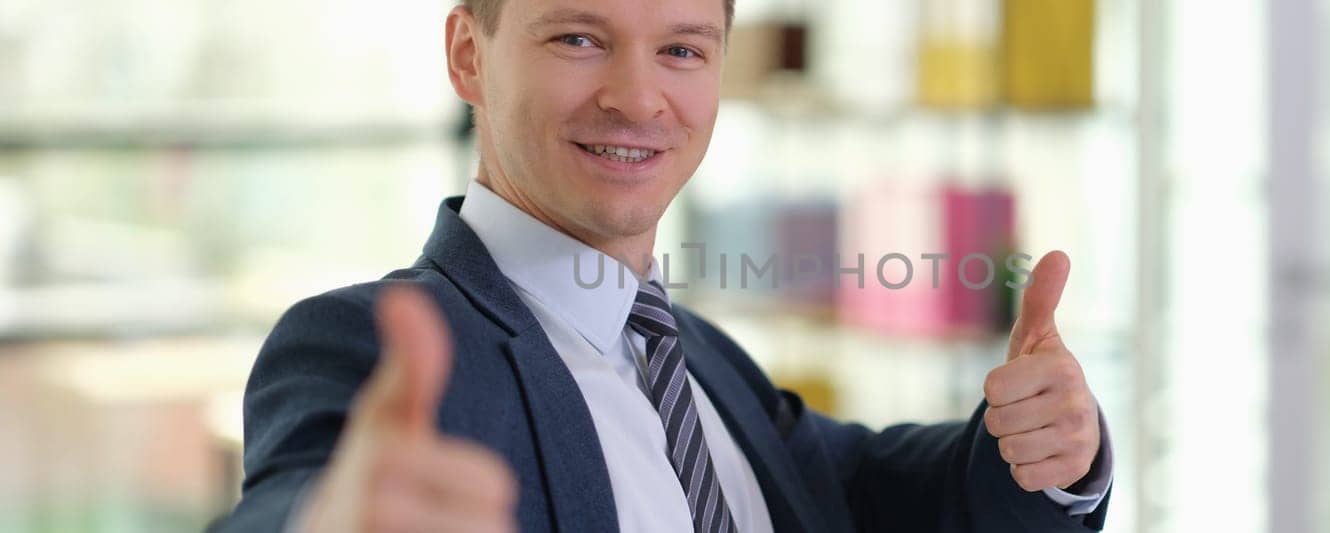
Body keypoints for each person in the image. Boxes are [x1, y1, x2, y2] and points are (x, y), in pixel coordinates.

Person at [215, 0, 1111, 531]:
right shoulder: (371, 347)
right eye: (578, 38)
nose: (638, 97)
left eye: (681, 49)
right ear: (467, 55)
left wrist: (1046, 445)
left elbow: (862, 487)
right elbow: (308, 489)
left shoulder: (700, 357)